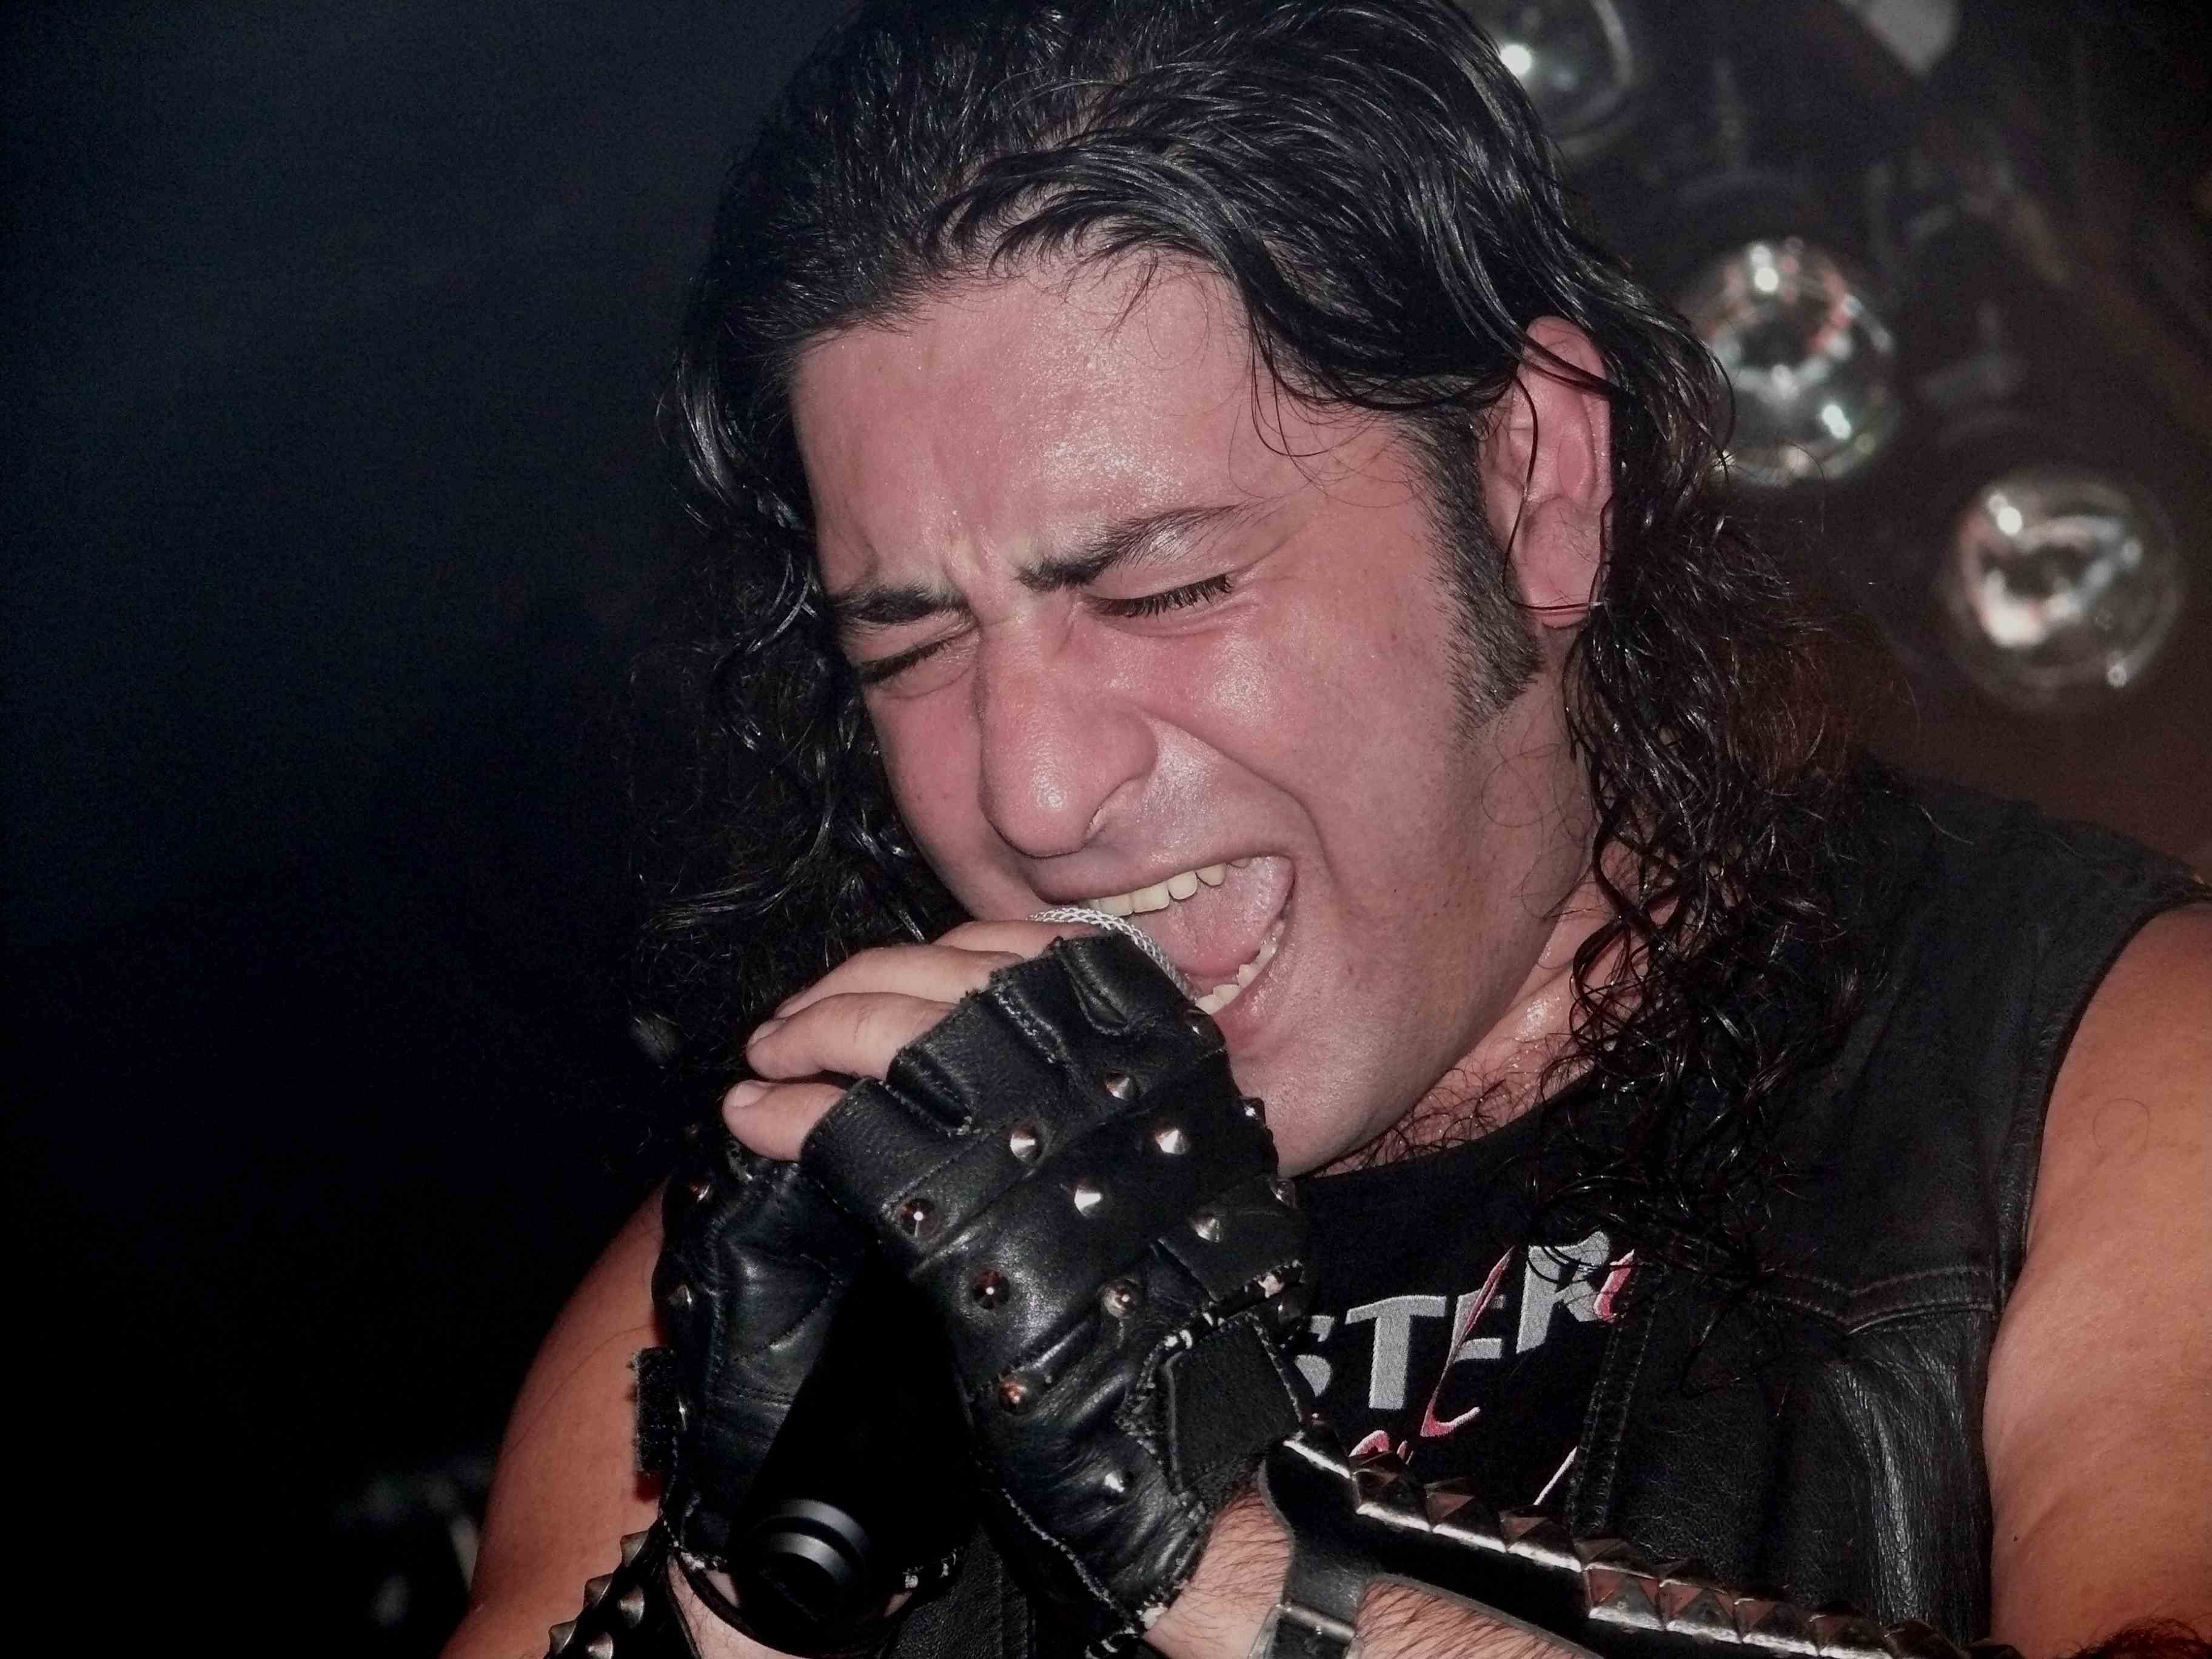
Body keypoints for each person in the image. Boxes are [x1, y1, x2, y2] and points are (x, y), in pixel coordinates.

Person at [444, 3, 2212, 1656]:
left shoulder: (2095, 1070)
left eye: (1163, 586)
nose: (1030, 792)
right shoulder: (792, 1250)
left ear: (1535, 486)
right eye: (911, 647)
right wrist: (739, 1608)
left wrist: (1221, 1561)